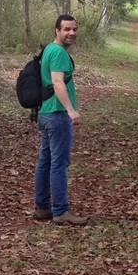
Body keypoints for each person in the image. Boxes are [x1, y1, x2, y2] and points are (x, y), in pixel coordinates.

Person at [33, 15, 90, 226]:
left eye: (74, 29)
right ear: (57, 30)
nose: (71, 33)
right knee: (59, 164)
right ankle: (61, 211)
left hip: (45, 113)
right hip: (57, 114)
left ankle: (42, 207)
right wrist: (71, 110)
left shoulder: (49, 48)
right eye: (66, 29)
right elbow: (57, 82)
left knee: (46, 161)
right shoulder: (57, 52)